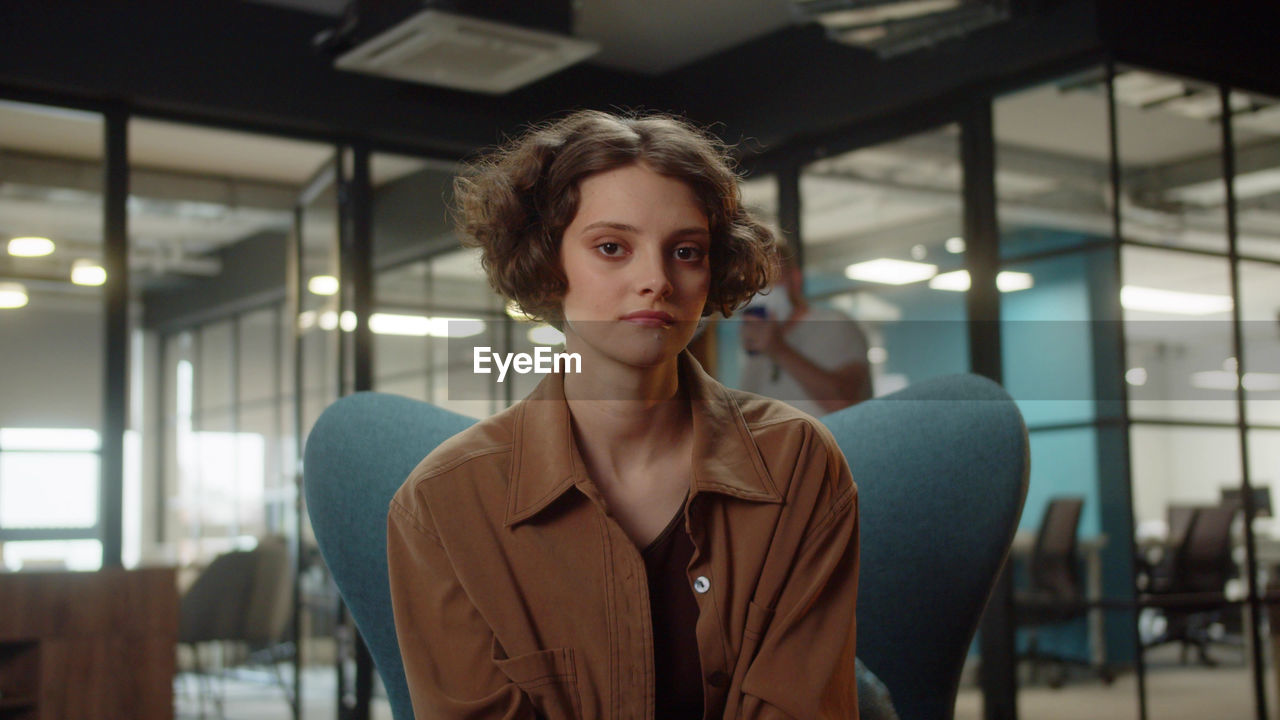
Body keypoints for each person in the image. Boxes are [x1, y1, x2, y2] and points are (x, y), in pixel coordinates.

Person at [386, 110, 860, 720]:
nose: (656, 280)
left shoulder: (799, 463)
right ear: (549, 265)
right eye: (612, 247)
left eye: (686, 251)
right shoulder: (442, 505)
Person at [739, 253, 872, 416]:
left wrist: (779, 349)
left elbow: (844, 402)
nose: (760, 292)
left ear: (794, 279)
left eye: (767, 279)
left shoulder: (834, 324)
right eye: (752, 284)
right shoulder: (760, 346)